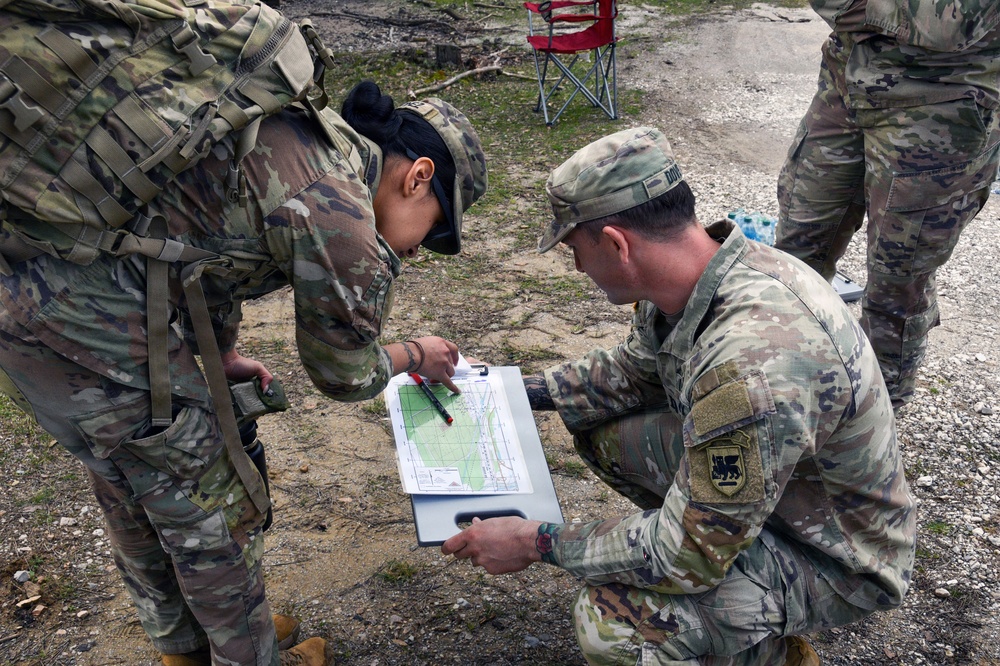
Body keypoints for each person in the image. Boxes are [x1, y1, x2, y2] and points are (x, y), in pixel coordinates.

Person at [0, 80, 487, 666]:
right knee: (209, 504)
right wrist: (415, 354)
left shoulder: (298, 132)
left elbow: (205, 252)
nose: (417, 251)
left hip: (30, 286)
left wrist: (222, 352)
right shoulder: (337, 208)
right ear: (418, 177)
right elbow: (345, 374)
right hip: (86, 319)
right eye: (435, 230)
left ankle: (188, 649)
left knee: (131, 481)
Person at [441, 127, 915, 665]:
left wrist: (535, 541)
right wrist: (502, 390)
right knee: (606, 432)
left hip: (837, 557)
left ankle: (765, 655)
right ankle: (733, 580)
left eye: (575, 249)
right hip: (789, 496)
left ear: (617, 244)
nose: (577, 267)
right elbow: (630, 373)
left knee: (612, 626)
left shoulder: (748, 367)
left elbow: (687, 553)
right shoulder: (698, 276)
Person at [774, 0, 1000, 411]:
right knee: (796, 249)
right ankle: (787, 383)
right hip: (844, 83)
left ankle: (875, 415)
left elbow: (951, 24)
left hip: (941, 108)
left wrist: (860, 11)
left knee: (895, 284)